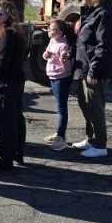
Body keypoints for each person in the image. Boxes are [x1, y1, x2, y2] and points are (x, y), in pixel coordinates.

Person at [71, 0, 112, 158]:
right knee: (85, 103)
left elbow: (103, 45)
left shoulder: (104, 15)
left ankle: (100, 144)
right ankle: (90, 138)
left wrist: (94, 71)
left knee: (95, 105)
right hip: (85, 67)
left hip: (95, 69)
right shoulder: (93, 13)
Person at [0, 0, 27, 170]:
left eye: (0, 13)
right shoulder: (15, 31)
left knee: (6, 122)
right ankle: (17, 152)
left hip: (6, 83)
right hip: (16, 81)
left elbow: (2, 60)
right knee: (16, 117)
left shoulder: (7, 33)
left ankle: (6, 159)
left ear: (8, 14)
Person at [42, 19, 75, 151]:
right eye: (49, 28)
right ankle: (59, 132)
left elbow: (68, 68)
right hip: (53, 77)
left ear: (60, 32)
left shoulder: (64, 45)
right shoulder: (52, 41)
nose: (49, 30)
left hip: (61, 78)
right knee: (59, 106)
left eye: (52, 29)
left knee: (61, 108)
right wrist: (46, 55)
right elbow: (47, 55)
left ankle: (61, 137)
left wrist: (64, 60)